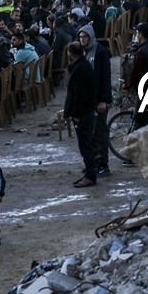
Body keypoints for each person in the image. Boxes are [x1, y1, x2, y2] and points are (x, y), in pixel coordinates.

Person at [77, 25, 113, 177]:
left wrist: (103, 100)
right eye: (80, 37)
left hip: (99, 100)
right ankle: (94, 163)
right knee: (89, 133)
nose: (82, 40)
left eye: (85, 37)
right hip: (87, 101)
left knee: (99, 132)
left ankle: (103, 164)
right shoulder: (82, 52)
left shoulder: (100, 52)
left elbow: (105, 77)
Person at [64, 42, 97, 187]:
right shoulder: (83, 65)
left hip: (83, 113)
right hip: (86, 110)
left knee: (85, 145)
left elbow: (79, 95)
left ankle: (90, 175)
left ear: (70, 53)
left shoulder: (79, 69)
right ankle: (89, 172)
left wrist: (76, 114)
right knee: (87, 143)